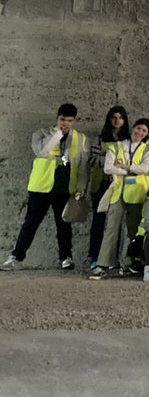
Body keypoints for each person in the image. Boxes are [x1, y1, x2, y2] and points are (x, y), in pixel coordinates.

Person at [3, 103, 89, 273]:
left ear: (75, 121)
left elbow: (83, 166)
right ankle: (16, 257)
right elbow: (42, 152)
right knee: (31, 222)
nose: (65, 124)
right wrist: (57, 134)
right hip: (41, 186)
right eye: (62, 119)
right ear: (57, 118)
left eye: (69, 121)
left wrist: (81, 188)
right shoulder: (41, 134)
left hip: (65, 186)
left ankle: (66, 257)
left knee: (64, 224)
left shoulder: (81, 139)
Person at [92, 117, 149, 277]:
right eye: (138, 128)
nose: (140, 132)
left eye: (144, 130)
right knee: (111, 228)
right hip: (118, 192)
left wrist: (122, 166)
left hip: (137, 193)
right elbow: (108, 168)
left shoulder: (148, 149)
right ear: (133, 128)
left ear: (147, 134)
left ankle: (128, 263)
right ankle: (103, 264)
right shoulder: (118, 146)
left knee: (133, 230)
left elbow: (145, 168)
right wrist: (129, 170)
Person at [86, 105, 129, 271]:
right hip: (101, 184)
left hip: (119, 184)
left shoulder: (128, 140)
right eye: (113, 117)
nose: (116, 120)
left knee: (116, 222)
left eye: (120, 117)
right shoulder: (100, 138)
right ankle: (94, 256)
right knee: (99, 221)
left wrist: (108, 160)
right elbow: (92, 161)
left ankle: (113, 258)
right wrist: (110, 162)